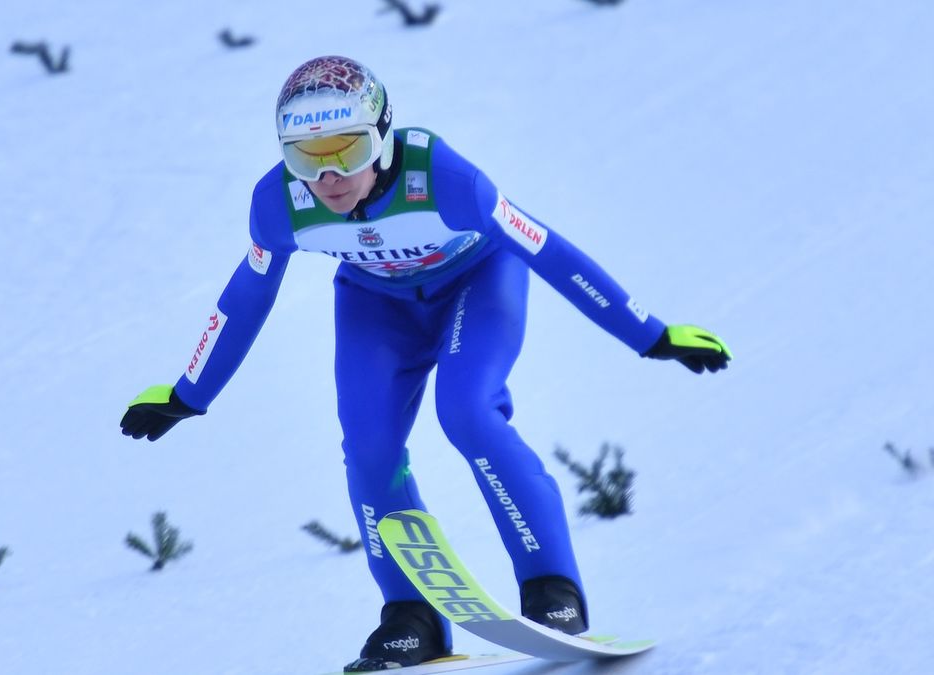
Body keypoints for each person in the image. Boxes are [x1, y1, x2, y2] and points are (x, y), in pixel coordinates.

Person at [120, 55, 731, 672]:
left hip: (477, 284)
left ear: (382, 137)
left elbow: (545, 249)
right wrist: (188, 393)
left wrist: (649, 334)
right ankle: (410, 617)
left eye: (347, 150)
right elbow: (248, 295)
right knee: (368, 448)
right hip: (375, 304)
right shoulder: (278, 203)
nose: (328, 175)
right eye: (306, 156)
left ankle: (551, 591)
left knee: (467, 412)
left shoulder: (443, 177)